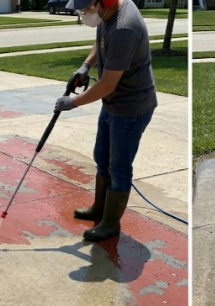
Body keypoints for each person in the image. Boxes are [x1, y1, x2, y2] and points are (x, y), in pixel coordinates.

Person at [55, 0, 157, 242]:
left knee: (119, 169)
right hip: (112, 103)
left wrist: (73, 103)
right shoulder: (109, 15)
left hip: (131, 108)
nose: (84, 14)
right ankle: (99, 209)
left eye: (86, 9)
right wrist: (86, 65)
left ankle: (110, 224)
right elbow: (101, 42)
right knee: (102, 158)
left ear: (103, 2)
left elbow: (108, 84)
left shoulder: (124, 28)